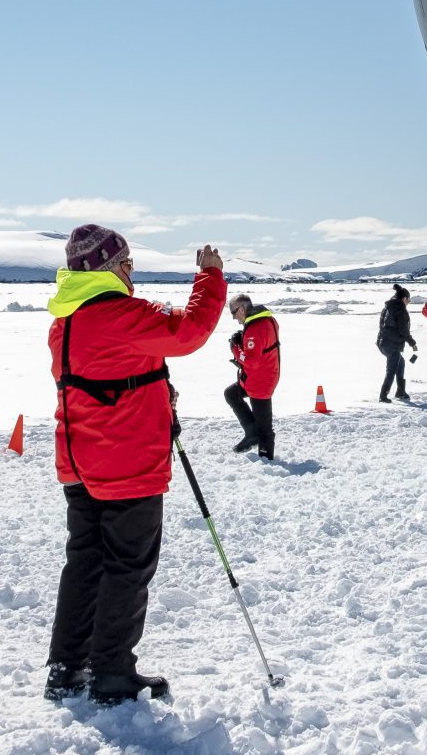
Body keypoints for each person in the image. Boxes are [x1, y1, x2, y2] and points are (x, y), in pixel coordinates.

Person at [44, 224, 225, 706]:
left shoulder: (66, 321)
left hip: (81, 462)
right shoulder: (119, 313)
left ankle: (66, 667)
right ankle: (112, 674)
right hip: (123, 465)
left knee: (85, 562)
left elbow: (104, 375)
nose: (131, 273)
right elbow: (188, 332)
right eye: (126, 265)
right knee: (126, 567)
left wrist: (150, 385)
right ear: (108, 268)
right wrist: (209, 277)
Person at [224, 295, 281, 460]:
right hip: (261, 376)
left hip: (260, 382)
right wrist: (243, 342)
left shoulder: (256, 328)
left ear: (242, 309)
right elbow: (260, 348)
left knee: (264, 427)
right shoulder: (266, 320)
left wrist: (235, 348)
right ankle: (251, 431)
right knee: (231, 394)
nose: (234, 317)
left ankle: (266, 459)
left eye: (234, 313)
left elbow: (251, 362)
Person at [376, 285, 417, 402]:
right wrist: (411, 342)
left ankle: (400, 391)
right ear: (404, 298)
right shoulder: (400, 309)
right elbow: (403, 329)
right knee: (392, 369)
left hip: (383, 342)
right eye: (409, 299)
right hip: (391, 344)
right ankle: (383, 395)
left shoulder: (389, 306)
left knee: (400, 363)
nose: (409, 302)